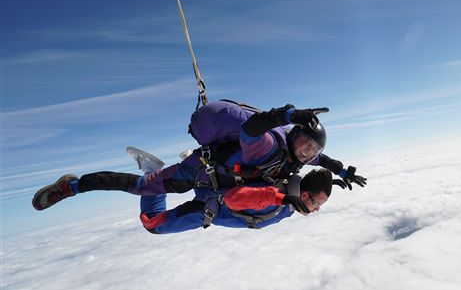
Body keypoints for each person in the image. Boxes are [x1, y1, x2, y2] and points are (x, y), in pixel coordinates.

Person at [32, 101, 365, 212]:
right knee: (140, 187)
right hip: (197, 171)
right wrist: (286, 114)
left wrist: (342, 171)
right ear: (293, 136)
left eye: (311, 150)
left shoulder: (299, 158)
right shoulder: (269, 146)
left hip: (217, 181)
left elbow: (321, 160)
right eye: (304, 144)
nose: (307, 153)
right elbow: (251, 129)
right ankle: (72, 186)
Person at [32, 148, 334, 233]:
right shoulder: (279, 197)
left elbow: (307, 156)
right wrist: (279, 197)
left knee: (146, 199)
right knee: (152, 221)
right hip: (208, 206)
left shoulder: (289, 195)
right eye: (314, 201)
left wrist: (338, 170)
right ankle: (72, 186)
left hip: (209, 190)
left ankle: (152, 174)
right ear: (303, 193)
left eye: (318, 205)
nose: (315, 208)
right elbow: (235, 199)